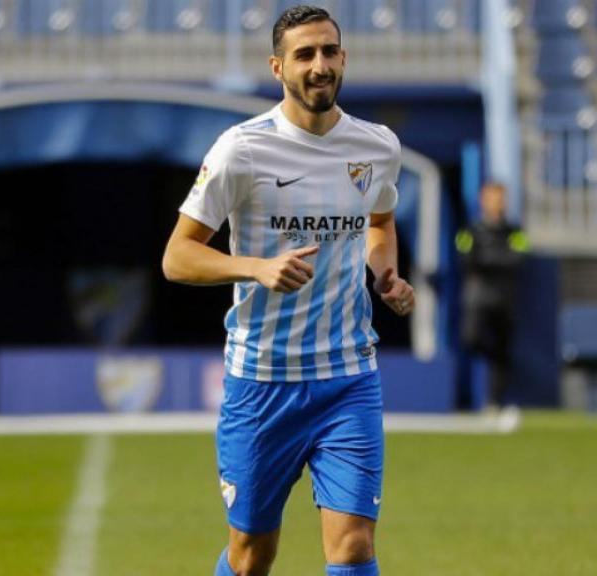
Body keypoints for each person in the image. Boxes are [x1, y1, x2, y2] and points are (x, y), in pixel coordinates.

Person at [162, 6, 413, 575]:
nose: (319, 65)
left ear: (344, 58)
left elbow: (379, 221)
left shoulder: (377, 147)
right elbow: (177, 257)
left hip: (348, 377)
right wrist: (255, 267)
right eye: (305, 54)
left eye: (329, 51)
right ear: (278, 67)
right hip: (262, 382)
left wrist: (385, 274)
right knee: (252, 557)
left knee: (352, 546)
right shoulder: (242, 150)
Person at [456, 181, 528, 413]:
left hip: (505, 298)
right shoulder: (470, 231)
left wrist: (486, 259)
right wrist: (495, 259)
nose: (497, 203)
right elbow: (466, 259)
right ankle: (463, 397)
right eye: (492, 198)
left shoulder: (515, 232)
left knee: (502, 352)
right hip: (478, 298)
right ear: (483, 201)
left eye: (501, 198)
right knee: (471, 338)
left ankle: (494, 401)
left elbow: (518, 258)